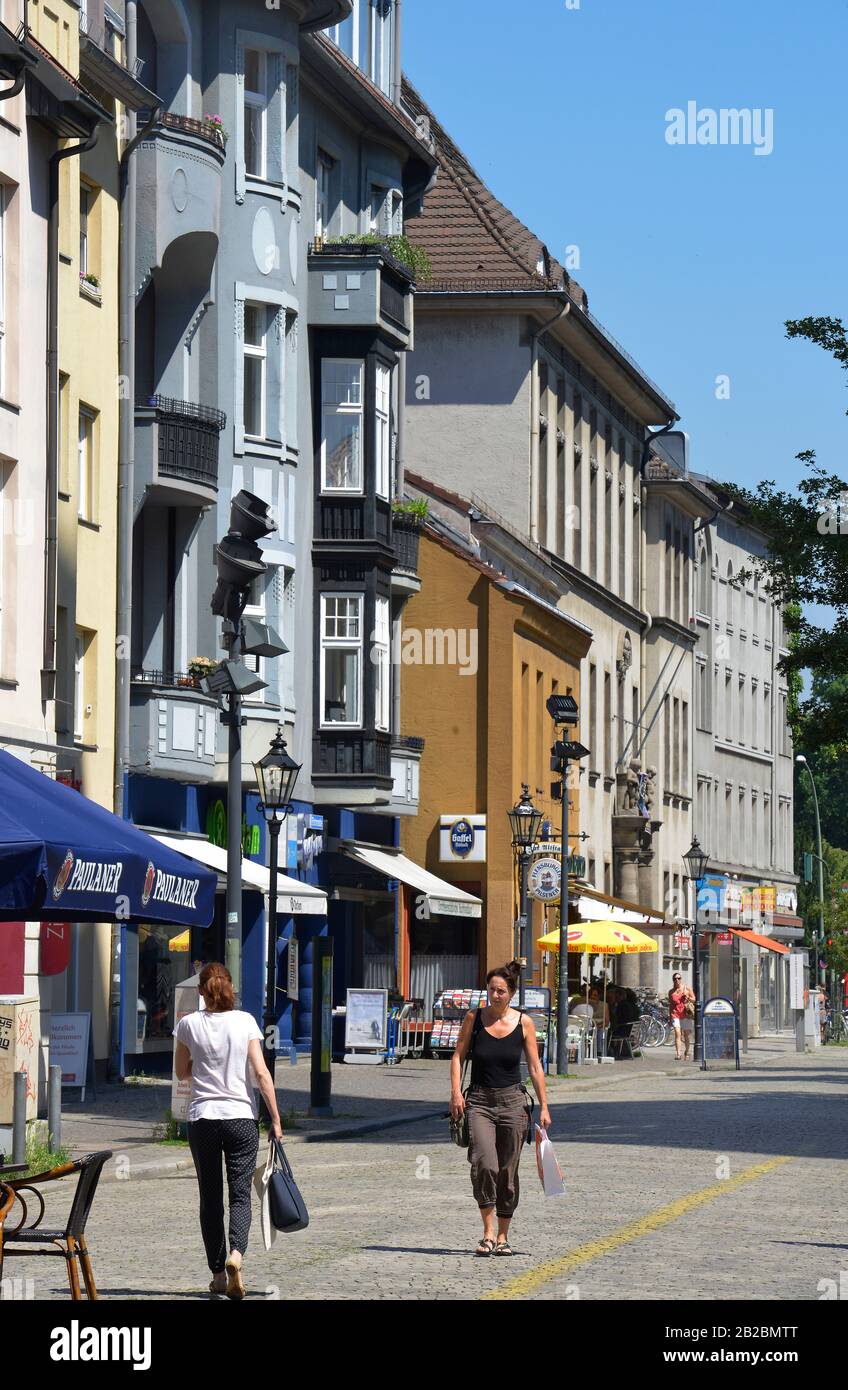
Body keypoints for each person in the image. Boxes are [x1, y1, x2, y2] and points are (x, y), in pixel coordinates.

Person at [174, 961, 282, 1300]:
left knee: (210, 1198)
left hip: (203, 1118)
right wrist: (276, 1120)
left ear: (202, 991)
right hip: (240, 1118)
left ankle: (219, 1276)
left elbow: (181, 1072)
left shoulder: (188, 1024)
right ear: (230, 988)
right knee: (240, 1195)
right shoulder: (246, 1021)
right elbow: (262, 1074)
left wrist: (201, 1060)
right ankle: (236, 1256)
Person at [450, 962, 552, 1257]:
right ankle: (487, 1232)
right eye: (491, 990)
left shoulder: (524, 1023)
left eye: (501, 991)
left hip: (513, 1104)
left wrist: (544, 1105)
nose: (495, 995)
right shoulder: (474, 1018)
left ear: (511, 994)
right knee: (485, 1163)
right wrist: (455, 1093)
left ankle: (504, 1235)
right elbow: (457, 1057)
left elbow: (534, 1066)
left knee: (508, 1171)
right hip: (479, 1102)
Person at [668, 971, 695, 1061]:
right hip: (675, 1014)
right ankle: (678, 1054)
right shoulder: (671, 992)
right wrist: (670, 1016)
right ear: (673, 980)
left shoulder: (686, 988)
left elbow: (694, 999)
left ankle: (687, 1051)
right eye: (675, 978)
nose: (677, 980)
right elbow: (671, 1005)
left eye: (679, 978)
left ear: (681, 979)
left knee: (686, 1035)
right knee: (677, 1033)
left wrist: (688, 997)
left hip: (686, 1014)